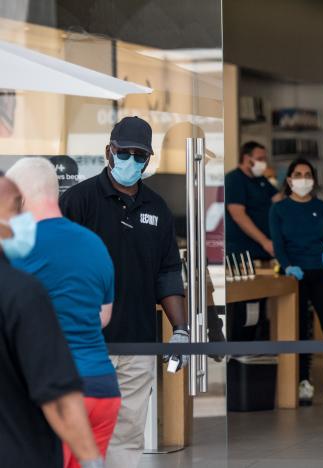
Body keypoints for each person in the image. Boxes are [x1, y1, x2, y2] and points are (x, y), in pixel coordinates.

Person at [59, 116, 189, 468]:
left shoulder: (158, 209)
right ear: (108, 151)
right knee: (79, 431)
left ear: (149, 159)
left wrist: (180, 329)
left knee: (128, 431)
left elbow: (167, 272)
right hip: (86, 342)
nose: (130, 160)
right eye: (123, 152)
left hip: (138, 342)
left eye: (139, 155)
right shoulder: (78, 201)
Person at [7, 158, 121, 468]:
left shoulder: (16, 247)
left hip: (54, 391)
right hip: (101, 388)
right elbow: (103, 316)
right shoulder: (95, 245)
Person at [269, 158, 323, 406]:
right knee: (299, 329)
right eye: (298, 174)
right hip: (294, 276)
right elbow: (278, 244)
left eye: (307, 174)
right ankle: (303, 382)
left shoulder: (321, 207)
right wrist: (288, 265)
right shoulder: (278, 209)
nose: (303, 179)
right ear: (289, 180)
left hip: (321, 272)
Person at [226, 140, 280, 261]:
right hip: (243, 253)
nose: (263, 163)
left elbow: (279, 201)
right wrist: (265, 241)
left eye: (264, 159)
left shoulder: (261, 180)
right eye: (260, 159)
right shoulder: (234, 179)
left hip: (264, 251)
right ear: (246, 158)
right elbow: (238, 215)